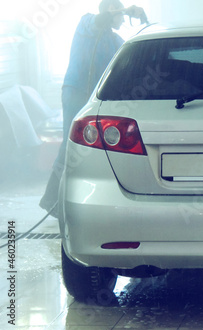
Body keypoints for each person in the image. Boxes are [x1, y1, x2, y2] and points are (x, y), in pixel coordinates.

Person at [39, 0, 147, 215]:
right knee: (69, 145)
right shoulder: (86, 23)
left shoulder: (116, 40)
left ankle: (76, 197)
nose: (123, 20)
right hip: (75, 91)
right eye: (120, 16)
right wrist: (128, 9)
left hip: (93, 97)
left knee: (88, 147)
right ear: (110, 10)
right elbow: (98, 20)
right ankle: (52, 201)